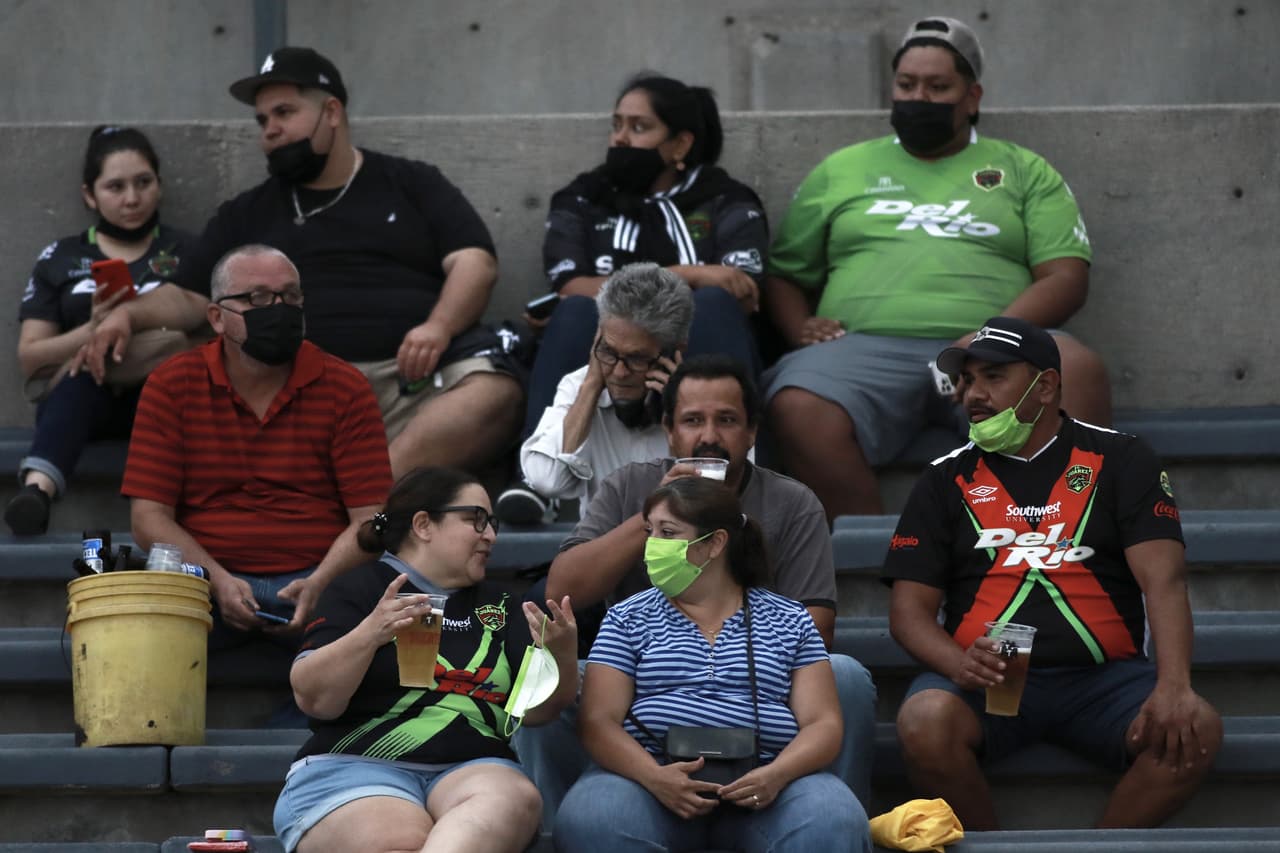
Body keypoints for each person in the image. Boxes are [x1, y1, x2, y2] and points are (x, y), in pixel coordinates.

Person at [84, 46, 521, 480]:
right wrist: (129, 313)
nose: (270, 131)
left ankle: (367, 499)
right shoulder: (247, 212)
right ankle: (374, 505)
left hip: (417, 387)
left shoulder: (411, 182)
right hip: (302, 395)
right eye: (262, 120)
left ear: (331, 112)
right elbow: (188, 296)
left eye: (284, 113)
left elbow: (475, 262)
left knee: (495, 395)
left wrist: (439, 327)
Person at [882, 316, 1222, 830]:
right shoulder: (943, 477)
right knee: (923, 722)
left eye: (994, 377)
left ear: (1044, 386)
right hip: (988, 679)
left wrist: (1175, 684)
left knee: (1197, 729)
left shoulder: (1122, 457)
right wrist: (958, 664)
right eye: (967, 380)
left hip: (1105, 680)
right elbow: (908, 612)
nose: (974, 394)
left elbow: (1165, 581)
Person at [763, 16, 1110, 517]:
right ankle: (880, 551)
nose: (918, 98)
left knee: (1075, 370)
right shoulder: (841, 169)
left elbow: (1066, 276)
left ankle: (1045, 542)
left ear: (972, 96)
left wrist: (992, 335)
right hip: (862, 350)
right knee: (798, 404)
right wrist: (799, 325)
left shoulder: (1024, 169)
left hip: (994, 345)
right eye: (906, 85)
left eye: (937, 86)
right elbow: (785, 272)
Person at [519, 354, 876, 828]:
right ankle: (554, 826)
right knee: (548, 678)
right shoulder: (629, 485)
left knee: (844, 676)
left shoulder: (791, 501)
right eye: (692, 421)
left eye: (726, 420)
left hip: (762, 674)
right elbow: (563, 590)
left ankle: (823, 809)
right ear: (669, 431)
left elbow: (816, 628)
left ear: (751, 433)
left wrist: (719, 663)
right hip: (634, 667)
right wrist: (658, 515)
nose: (709, 437)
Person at [554, 476, 870, 853]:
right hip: (647, 785)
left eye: (668, 533)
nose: (652, 545)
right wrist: (655, 778)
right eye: (650, 531)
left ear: (715, 543)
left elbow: (823, 723)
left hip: (769, 788)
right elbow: (598, 721)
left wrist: (776, 774)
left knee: (833, 818)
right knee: (595, 816)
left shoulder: (791, 619)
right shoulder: (626, 618)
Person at [273, 466, 578, 853]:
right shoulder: (359, 587)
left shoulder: (502, 604)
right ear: (423, 525)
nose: (490, 535)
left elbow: (533, 712)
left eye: (492, 523)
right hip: (357, 765)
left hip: (475, 768)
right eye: (476, 519)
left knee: (514, 798)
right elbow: (314, 698)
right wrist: (372, 632)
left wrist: (562, 657)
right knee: (402, 841)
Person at [513, 72, 768, 518]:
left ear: (680, 144)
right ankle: (535, 484)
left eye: (638, 127)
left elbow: (741, 289)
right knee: (575, 310)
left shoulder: (726, 199)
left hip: (692, 351)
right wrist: (691, 273)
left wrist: (701, 286)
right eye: (616, 125)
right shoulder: (583, 197)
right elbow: (571, 285)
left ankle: (736, 472)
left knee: (713, 304)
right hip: (607, 347)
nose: (621, 139)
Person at [121, 244, 392, 642]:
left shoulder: (346, 387)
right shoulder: (172, 384)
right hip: (201, 582)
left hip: (321, 578)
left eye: (291, 296)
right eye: (258, 298)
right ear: (217, 318)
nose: (279, 309)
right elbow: (148, 518)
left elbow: (373, 520)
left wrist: (320, 582)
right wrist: (216, 580)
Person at [5, 126, 195, 535]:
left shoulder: (186, 251)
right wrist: (93, 329)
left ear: (159, 184)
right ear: (89, 195)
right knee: (78, 380)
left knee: (173, 389)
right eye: (115, 186)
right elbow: (31, 357)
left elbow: (204, 316)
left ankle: (159, 517)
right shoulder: (62, 256)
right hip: (86, 398)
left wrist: (135, 316)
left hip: (159, 392)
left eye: (143, 182)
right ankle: (36, 493)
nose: (132, 198)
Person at [502, 262, 693, 523]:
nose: (619, 372)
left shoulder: (704, 397)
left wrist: (683, 416)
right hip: (601, 546)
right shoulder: (582, 385)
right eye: (609, 351)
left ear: (675, 352)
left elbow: (714, 499)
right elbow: (547, 480)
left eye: (637, 359)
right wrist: (592, 384)